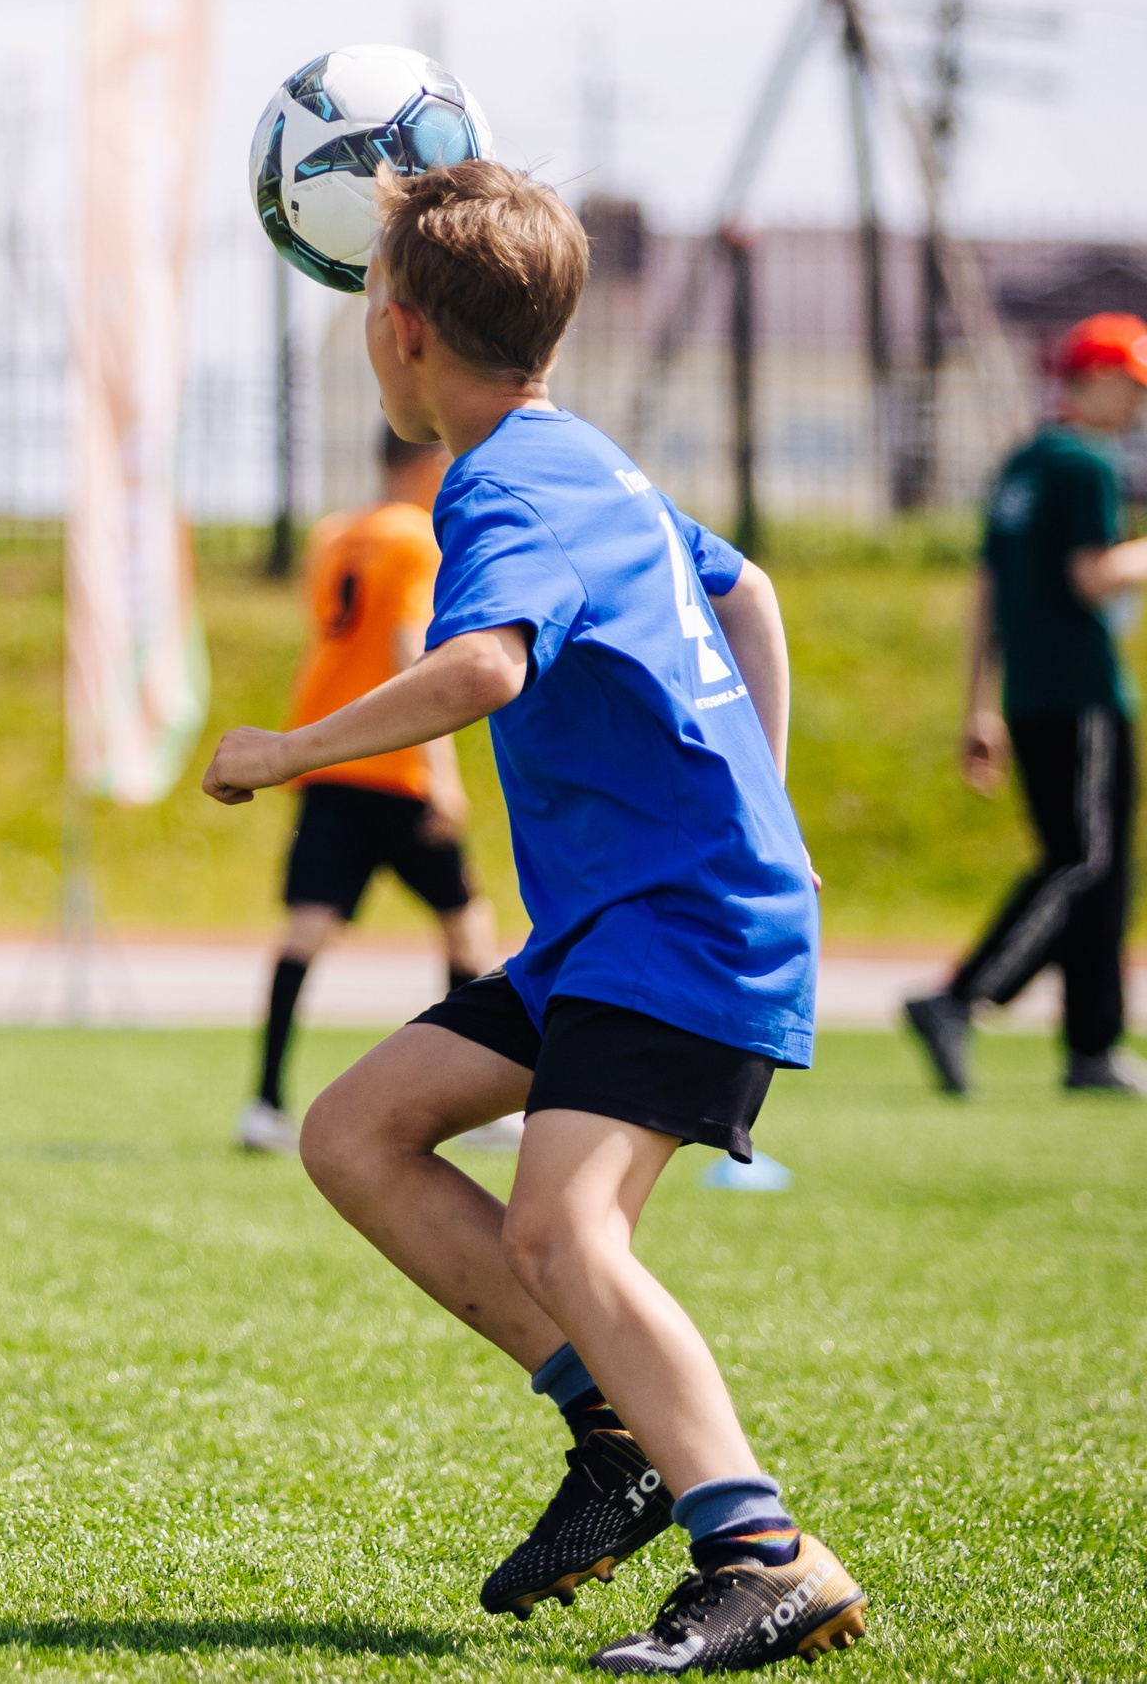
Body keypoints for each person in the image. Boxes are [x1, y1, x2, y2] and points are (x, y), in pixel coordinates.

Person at [203, 161, 865, 1672]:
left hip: (677, 926)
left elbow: (489, 668)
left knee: (565, 1226)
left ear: (405, 331)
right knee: (356, 1129)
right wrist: (772, 802)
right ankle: (615, 1434)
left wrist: (285, 752)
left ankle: (763, 1552)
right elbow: (747, 589)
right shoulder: (585, 456)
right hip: (622, 928)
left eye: (370, 295)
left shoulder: (497, 482)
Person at [904, 312, 1147, 1098]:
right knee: (1086, 863)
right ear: (1096, 378)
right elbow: (1092, 577)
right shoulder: (1084, 465)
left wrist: (979, 704)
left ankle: (1091, 1046)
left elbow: (989, 593)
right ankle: (961, 997)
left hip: (1031, 696)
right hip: (1083, 695)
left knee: (1096, 870)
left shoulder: (1022, 465)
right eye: (1132, 385)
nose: (1137, 404)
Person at [239, 426, 494, 1156]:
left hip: (327, 757)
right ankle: (469, 1107)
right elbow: (410, 654)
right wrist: (440, 773)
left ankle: (263, 1103)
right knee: (467, 926)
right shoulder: (416, 538)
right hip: (393, 764)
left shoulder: (332, 535)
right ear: (424, 463)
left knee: (305, 932)